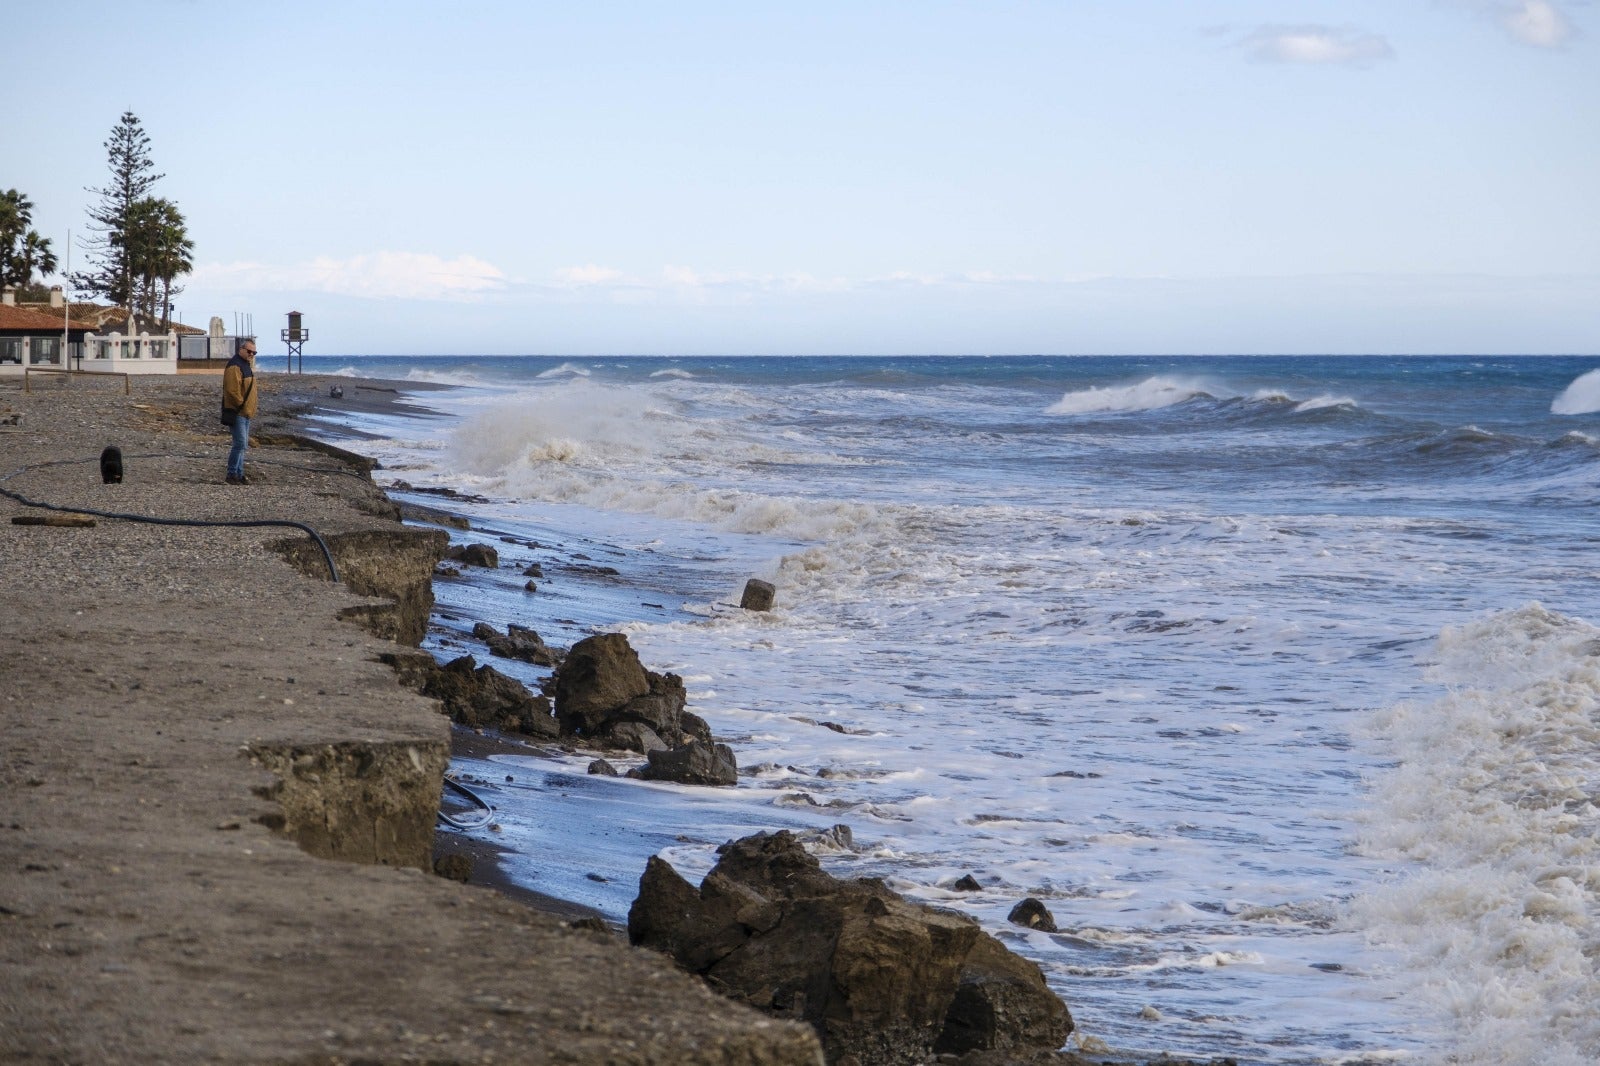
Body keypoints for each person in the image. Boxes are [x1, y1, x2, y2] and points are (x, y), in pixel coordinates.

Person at [222, 339, 259, 485]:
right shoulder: (235, 366)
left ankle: (239, 473)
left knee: (242, 445)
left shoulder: (245, 365)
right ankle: (231, 474)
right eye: (249, 351)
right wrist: (242, 405)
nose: (251, 354)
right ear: (241, 349)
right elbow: (232, 390)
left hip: (246, 412)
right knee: (240, 444)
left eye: (254, 352)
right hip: (238, 412)